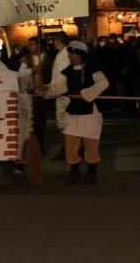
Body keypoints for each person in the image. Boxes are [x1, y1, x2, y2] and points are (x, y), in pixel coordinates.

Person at [42, 41, 109, 184]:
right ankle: (74, 171)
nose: (71, 56)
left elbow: (103, 83)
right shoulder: (68, 71)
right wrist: (45, 90)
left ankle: (92, 172)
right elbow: (59, 88)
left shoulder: (93, 69)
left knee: (91, 143)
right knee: (71, 143)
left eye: (73, 54)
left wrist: (86, 93)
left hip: (91, 112)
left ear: (81, 55)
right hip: (73, 111)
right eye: (70, 53)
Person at [18, 37, 52, 153]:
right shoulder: (27, 58)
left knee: (42, 122)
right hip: (31, 94)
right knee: (32, 122)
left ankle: (40, 146)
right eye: (29, 44)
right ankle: (32, 147)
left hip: (45, 93)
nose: (29, 47)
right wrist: (33, 69)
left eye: (32, 44)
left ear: (39, 45)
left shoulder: (50, 58)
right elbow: (20, 74)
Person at [47, 32, 71, 160]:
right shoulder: (60, 55)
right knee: (62, 124)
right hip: (60, 93)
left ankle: (68, 149)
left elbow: (62, 77)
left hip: (64, 94)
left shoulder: (65, 55)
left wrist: (54, 90)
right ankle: (67, 149)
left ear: (58, 41)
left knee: (64, 124)